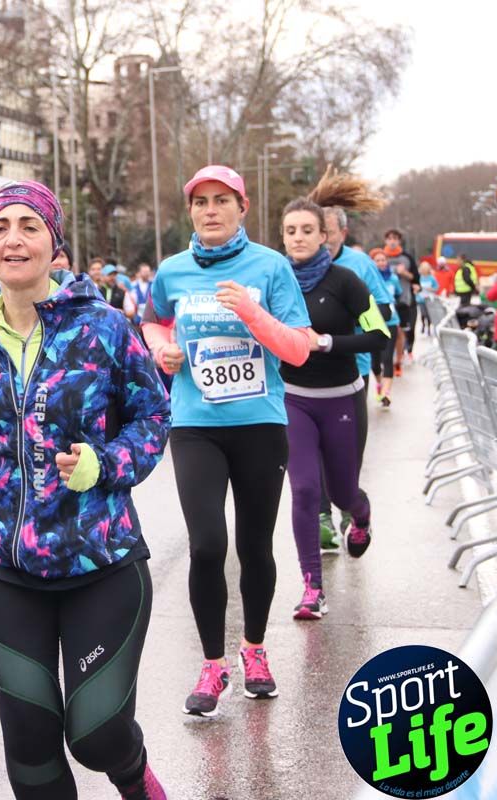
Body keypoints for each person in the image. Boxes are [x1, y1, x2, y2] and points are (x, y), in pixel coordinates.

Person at [0, 180, 171, 799]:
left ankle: (133, 774)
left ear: (53, 241)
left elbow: (154, 417)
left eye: (29, 226)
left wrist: (105, 462)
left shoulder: (104, 328)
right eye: (0, 227)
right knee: (31, 750)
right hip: (3, 572)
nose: (13, 239)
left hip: (101, 564)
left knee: (96, 734)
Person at [141, 165, 312, 718]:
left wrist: (252, 312)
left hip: (260, 424)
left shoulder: (271, 266)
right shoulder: (172, 271)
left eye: (221, 201)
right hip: (194, 425)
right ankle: (212, 664)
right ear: (190, 211)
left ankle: (255, 652)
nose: (210, 210)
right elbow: (154, 322)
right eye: (200, 202)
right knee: (208, 544)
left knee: (255, 546)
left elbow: (299, 350)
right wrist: (162, 349)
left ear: (242, 207)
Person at [279, 197, 389, 620]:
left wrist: (325, 342)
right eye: (291, 231)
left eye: (307, 230)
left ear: (324, 236)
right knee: (306, 489)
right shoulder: (277, 282)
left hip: (342, 398)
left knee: (343, 492)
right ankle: (312, 588)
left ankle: (360, 516)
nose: (299, 238)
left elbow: (378, 334)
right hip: (293, 399)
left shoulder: (345, 281)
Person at [315, 187, 393, 550]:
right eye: (318, 231)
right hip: (303, 377)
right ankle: (322, 519)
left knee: (342, 452)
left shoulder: (359, 266)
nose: (322, 239)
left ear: (342, 234)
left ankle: (349, 509)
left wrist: (349, 326)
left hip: (352, 372)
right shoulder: (292, 266)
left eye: (328, 232)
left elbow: (385, 314)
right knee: (309, 453)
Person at [369, 248, 402, 409]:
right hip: (373, 324)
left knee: (387, 358)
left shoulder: (393, 279)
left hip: (391, 322)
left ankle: (387, 393)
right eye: (378, 260)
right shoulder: (368, 280)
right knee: (375, 363)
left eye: (383, 260)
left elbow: (398, 295)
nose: (381, 263)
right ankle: (380, 384)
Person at [383, 229, 419, 372]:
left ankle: (401, 356)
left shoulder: (407, 258)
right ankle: (388, 357)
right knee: (388, 330)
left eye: (395, 239)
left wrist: (404, 273)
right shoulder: (381, 257)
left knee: (402, 330)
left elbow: (416, 279)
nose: (392, 241)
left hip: (404, 299)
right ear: (385, 240)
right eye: (390, 238)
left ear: (399, 241)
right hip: (385, 301)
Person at [418, 261, 439, 336]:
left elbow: (436, 288)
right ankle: (423, 325)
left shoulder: (432, 278)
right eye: (423, 269)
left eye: (426, 269)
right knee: (423, 314)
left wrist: (431, 289)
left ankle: (429, 328)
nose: (424, 270)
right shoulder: (419, 278)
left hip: (429, 300)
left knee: (429, 315)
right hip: (421, 299)